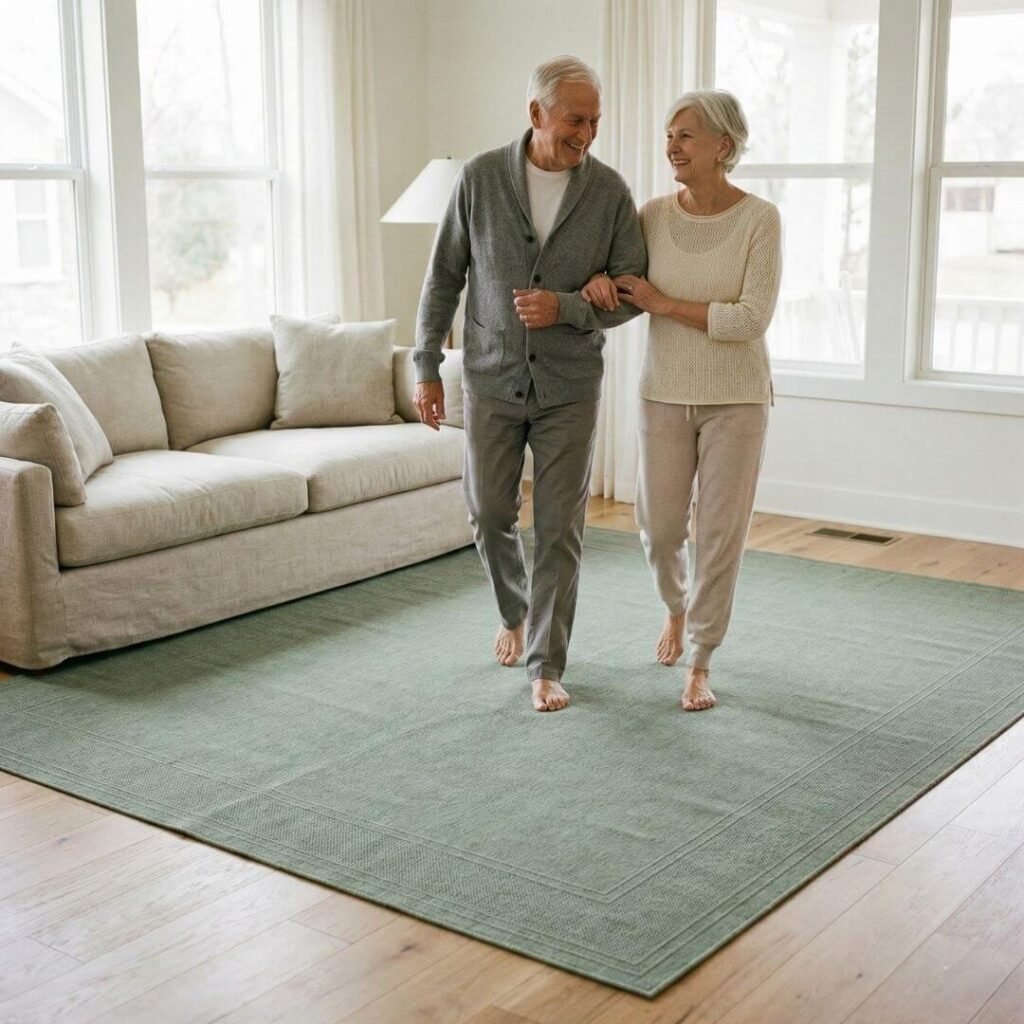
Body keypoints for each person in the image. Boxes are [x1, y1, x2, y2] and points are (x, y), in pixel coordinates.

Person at [413, 55, 646, 712]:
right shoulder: (481, 179)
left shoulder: (609, 193)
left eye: (596, 120)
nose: (587, 133)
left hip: (570, 387)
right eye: (577, 119)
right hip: (490, 379)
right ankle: (515, 611)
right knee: (488, 513)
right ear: (537, 113)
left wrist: (569, 307)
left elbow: (632, 291)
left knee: (561, 528)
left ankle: (545, 663)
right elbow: (443, 279)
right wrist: (425, 365)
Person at [583, 90, 781, 712]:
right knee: (660, 528)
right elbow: (620, 280)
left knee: (720, 535)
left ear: (724, 145)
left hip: (737, 400)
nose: (672, 146)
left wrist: (664, 304)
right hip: (663, 392)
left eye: (686, 135)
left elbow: (750, 318)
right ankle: (676, 607)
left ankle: (700, 659)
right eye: (670, 134)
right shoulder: (652, 217)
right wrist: (598, 285)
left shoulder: (760, 220)